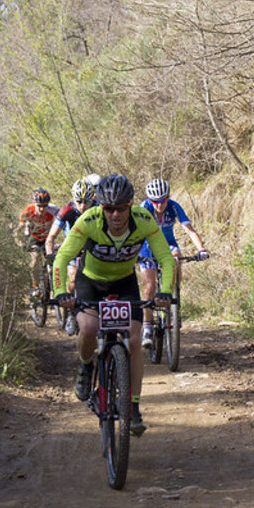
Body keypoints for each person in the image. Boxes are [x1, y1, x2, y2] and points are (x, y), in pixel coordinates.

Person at [52, 174, 176, 436]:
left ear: (130, 205)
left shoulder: (144, 220)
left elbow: (165, 257)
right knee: (87, 329)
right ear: (102, 208)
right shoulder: (88, 221)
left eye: (121, 208)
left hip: (124, 283)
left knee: (133, 343)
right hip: (91, 282)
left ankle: (133, 407)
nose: (115, 215)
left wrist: (164, 291)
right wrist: (62, 292)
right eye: (109, 209)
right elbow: (62, 257)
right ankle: (86, 367)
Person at [136, 178, 209, 348]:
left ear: (168, 198)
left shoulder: (174, 206)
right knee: (149, 287)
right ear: (149, 200)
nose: (159, 205)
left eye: (163, 200)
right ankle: (147, 327)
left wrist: (201, 249)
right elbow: (135, 231)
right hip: (147, 247)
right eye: (155, 201)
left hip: (167, 245)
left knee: (176, 257)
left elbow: (189, 229)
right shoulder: (143, 208)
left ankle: (174, 293)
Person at [44, 178, 98, 335]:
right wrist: (50, 255)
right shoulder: (66, 210)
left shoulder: (99, 208)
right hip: (72, 249)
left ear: (92, 198)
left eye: (86, 201)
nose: (82, 205)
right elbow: (51, 237)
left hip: (93, 248)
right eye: (79, 201)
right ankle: (70, 315)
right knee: (73, 278)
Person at [14, 188, 59, 293]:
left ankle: (53, 287)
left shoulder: (54, 210)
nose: (42, 209)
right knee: (35, 257)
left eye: (45, 206)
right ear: (34, 203)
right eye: (39, 206)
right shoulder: (27, 212)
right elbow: (17, 231)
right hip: (34, 238)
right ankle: (35, 286)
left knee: (53, 261)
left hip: (48, 238)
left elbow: (64, 223)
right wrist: (20, 243)